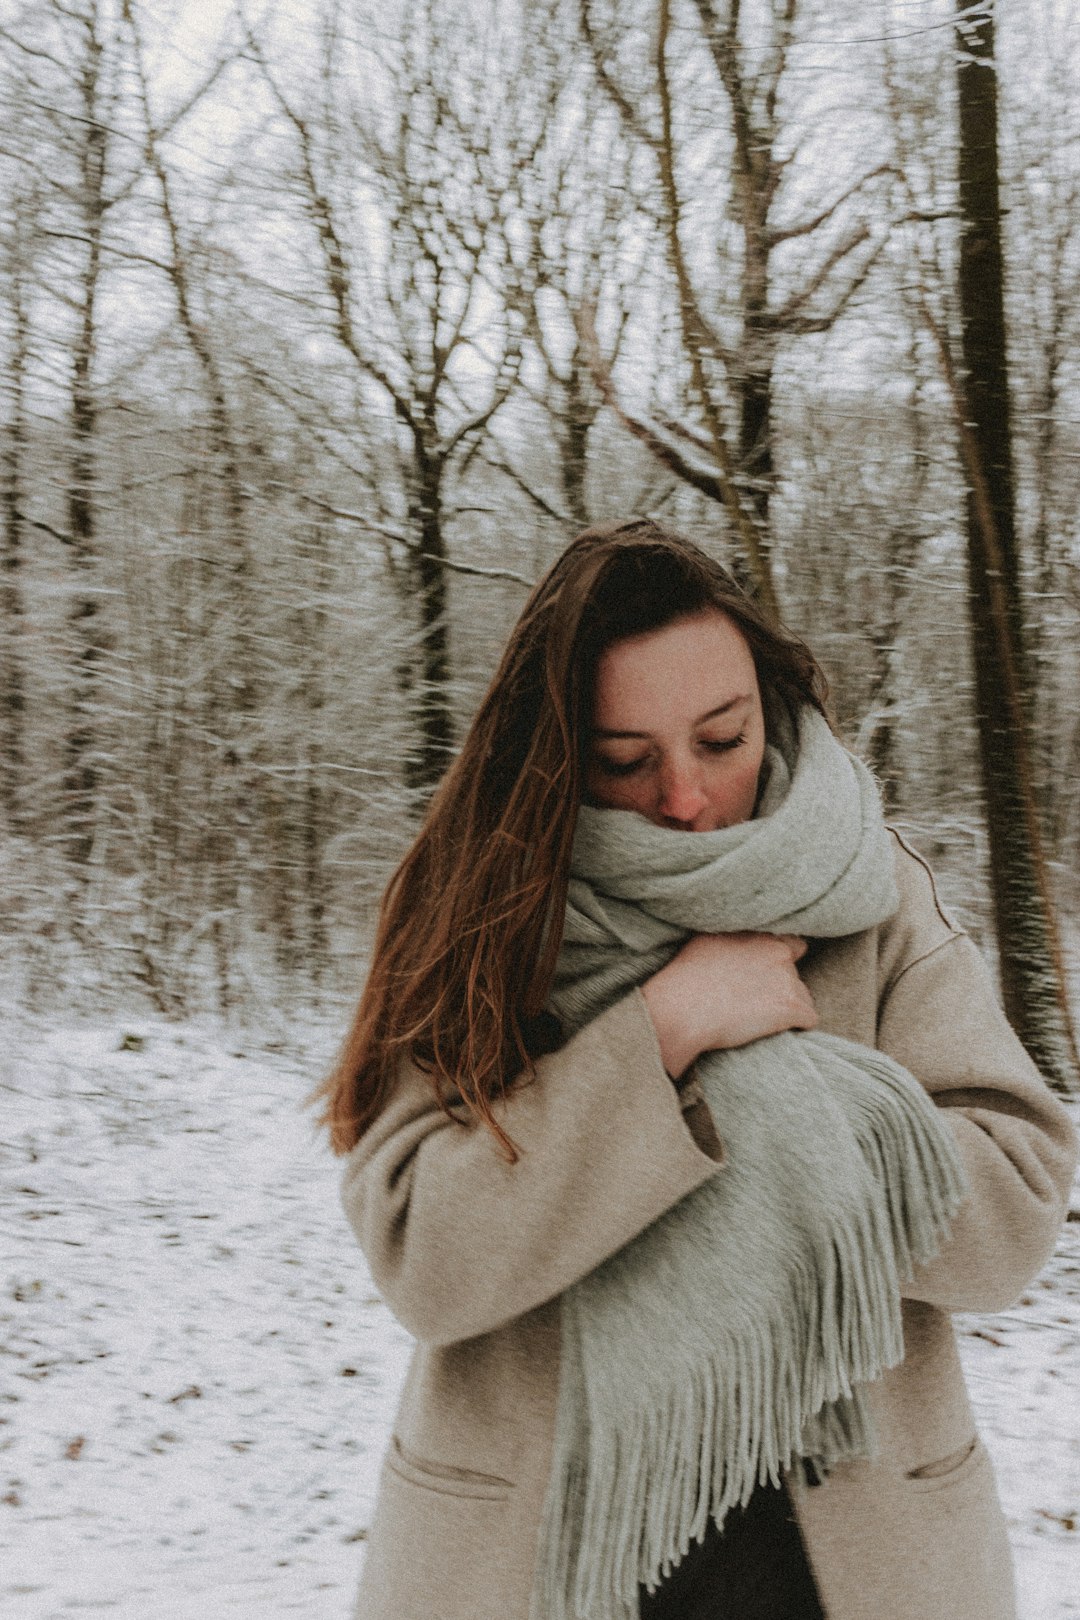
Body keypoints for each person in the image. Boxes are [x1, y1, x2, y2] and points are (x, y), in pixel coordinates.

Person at [314, 521, 1077, 1620]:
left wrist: (779, 1098)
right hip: (548, 1562)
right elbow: (427, 1254)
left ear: (770, 704)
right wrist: (661, 1036)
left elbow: (1012, 1211)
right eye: (625, 760)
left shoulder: (871, 889)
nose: (683, 797)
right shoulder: (483, 905)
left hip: (853, 1566)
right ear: (557, 755)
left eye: (721, 740)